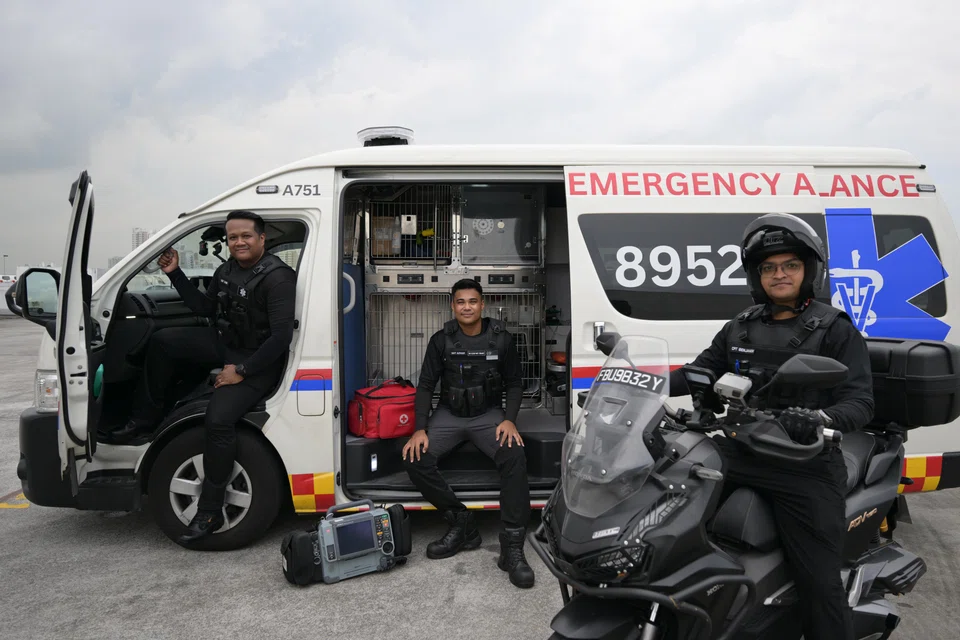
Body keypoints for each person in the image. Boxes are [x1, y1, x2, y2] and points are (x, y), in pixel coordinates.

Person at [669, 213, 873, 640]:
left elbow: (860, 402)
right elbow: (698, 371)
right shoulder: (740, 325)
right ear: (756, 275)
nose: (779, 275)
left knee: (818, 582)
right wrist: (640, 380)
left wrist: (820, 419)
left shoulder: (834, 329)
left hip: (804, 462)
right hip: (741, 447)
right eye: (768, 267)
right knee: (667, 506)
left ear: (808, 271)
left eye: (790, 265)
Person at [109, 210, 297, 544]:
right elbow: (204, 309)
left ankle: (209, 510)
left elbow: (280, 339)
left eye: (246, 236)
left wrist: (240, 372)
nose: (238, 242)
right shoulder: (226, 270)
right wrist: (175, 273)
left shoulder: (278, 278)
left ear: (262, 239)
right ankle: (143, 420)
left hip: (260, 361)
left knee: (219, 418)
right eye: (233, 237)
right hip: (229, 346)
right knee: (164, 343)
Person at [401, 279, 535, 589]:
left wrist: (510, 420)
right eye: (461, 302)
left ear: (482, 304)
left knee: (514, 455)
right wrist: (419, 428)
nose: (466, 307)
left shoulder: (501, 339)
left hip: (488, 416)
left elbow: (515, 384)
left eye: (472, 301)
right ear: (453, 305)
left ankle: (512, 548)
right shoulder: (441, 340)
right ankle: (461, 524)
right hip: (449, 415)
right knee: (414, 457)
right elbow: (424, 386)